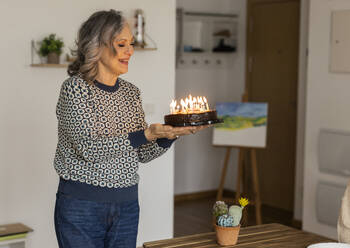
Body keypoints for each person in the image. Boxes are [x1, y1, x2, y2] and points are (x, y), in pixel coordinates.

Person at [53, 9, 207, 248]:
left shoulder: (131, 93)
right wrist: (146, 133)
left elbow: (142, 153)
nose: (130, 51)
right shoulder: (75, 89)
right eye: (122, 44)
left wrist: (169, 136)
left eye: (131, 44)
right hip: (80, 207)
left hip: (127, 206)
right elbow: (89, 150)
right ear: (96, 45)